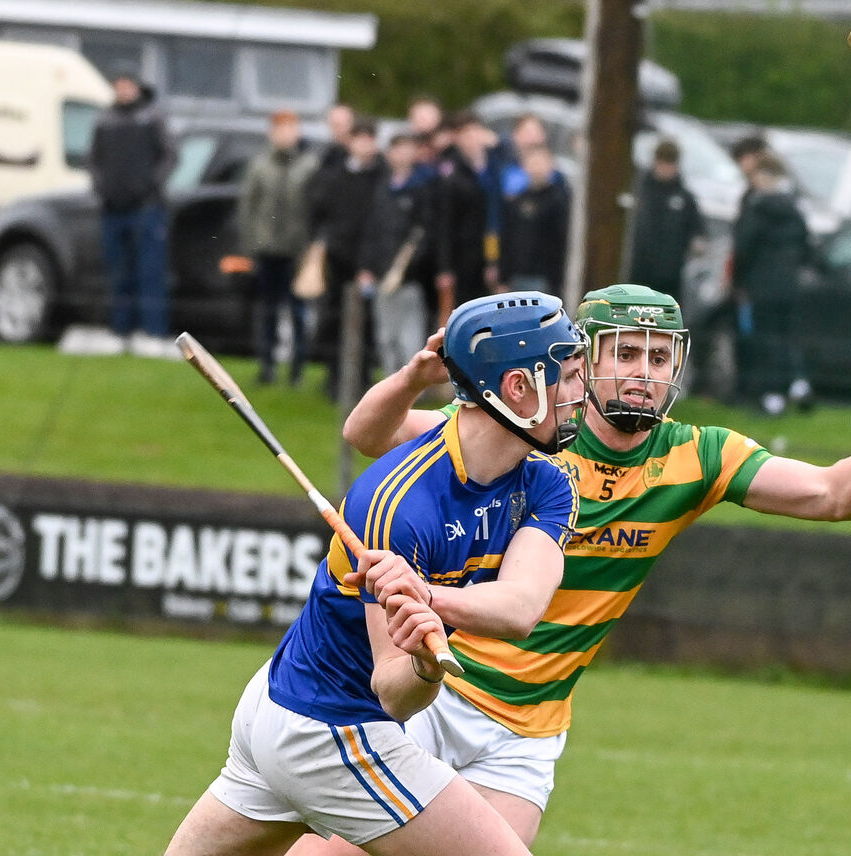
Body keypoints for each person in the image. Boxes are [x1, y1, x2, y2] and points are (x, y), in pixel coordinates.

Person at [290, 283, 851, 854]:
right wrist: (414, 377)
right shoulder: (527, 431)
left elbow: (833, 495)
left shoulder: (699, 456)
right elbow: (370, 435)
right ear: (586, 360)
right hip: (442, 691)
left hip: (530, 727)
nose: (644, 372)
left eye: (659, 358)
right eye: (626, 353)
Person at [164, 291, 587, 856]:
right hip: (330, 726)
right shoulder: (398, 505)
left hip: (287, 704)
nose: (582, 393)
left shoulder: (546, 483)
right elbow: (393, 693)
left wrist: (427, 604)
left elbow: (520, 609)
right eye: (569, 375)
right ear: (518, 388)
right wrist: (422, 665)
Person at [87, 60, 177, 358]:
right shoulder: (105, 120)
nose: (123, 89)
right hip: (113, 208)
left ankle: (152, 333)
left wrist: (150, 184)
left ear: (137, 86)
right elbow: (93, 160)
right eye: (119, 84)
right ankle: (120, 331)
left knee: (149, 272)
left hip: (146, 208)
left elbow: (169, 156)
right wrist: (102, 188)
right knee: (118, 272)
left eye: (128, 84)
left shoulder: (153, 117)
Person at [237, 110, 319, 385]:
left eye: (290, 129)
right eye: (280, 129)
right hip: (267, 250)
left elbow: (315, 210)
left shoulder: (309, 166)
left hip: (298, 252)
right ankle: (267, 368)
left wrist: (311, 250)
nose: (285, 135)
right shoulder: (259, 165)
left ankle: (297, 371)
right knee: (268, 311)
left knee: (298, 313)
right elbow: (248, 207)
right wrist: (250, 246)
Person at [732, 151, 814, 416]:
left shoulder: (757, 209)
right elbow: (805, 246)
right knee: (788, 337)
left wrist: (738, 282)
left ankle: (772, 396)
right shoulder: (793, 210)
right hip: (790, 285)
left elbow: (743, 248)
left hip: (763, 285)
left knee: (766, 340)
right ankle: (799, 384)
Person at [312, 116, 387, 397]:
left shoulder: (382, 176)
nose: (365, 145)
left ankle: (363, 377)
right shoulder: (335, 176)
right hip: (338, 260)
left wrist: (369, 262)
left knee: (366, 322)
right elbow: (321, 213)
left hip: (369, 263)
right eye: (360, 139)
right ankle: (335, 376)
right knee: (334, 318)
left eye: (370, 139)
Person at [362, 133, 435, 376]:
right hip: (383, 278)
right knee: (385, 337)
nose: (402, 155)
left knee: (409, 338)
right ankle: (389, 384)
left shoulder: (422, 190)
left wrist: (406, 270)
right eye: (397, 149)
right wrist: (368, 268)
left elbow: (425, 236)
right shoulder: (382, 189)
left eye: (407, 149)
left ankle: (410, 386)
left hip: (409, 281)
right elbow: (371, 231)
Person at [626, 139, 705, 304]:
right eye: (663, 163)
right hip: (637, 273)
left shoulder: (684, 198)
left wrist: (698, 244)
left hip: (669, 278)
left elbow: (698, 231)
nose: (666, 169)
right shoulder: (639, 191)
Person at [435, 110, 494, 323]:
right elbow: (445, 224)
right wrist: (445, 267)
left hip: (488, 254)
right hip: (463, 258)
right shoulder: (452, 173)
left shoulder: (492, 166)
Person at [498, 145, 570, 296]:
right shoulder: (517, 200)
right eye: (532, 162)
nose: (537, 167)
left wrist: (558, 280)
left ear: (551, 165)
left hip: (547, 278)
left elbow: (561, 242)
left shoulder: (560, 200)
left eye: (541, 161)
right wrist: (502, 277)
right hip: (518, 276)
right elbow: (507, 239)